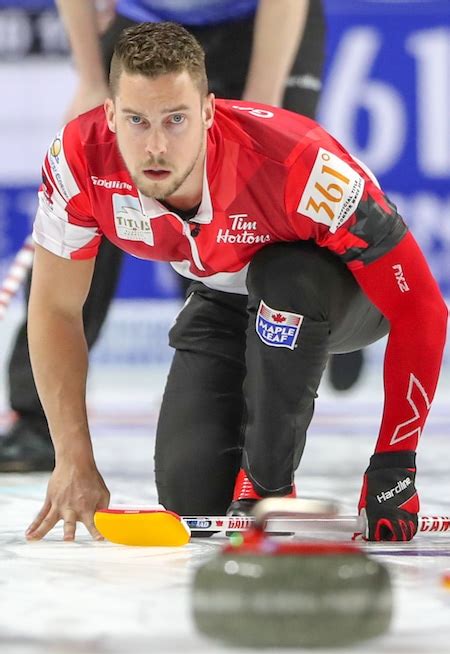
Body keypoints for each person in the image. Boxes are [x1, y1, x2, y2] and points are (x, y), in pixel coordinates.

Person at [24, 22, 447, 543]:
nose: (155, 146)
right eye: (136, 120)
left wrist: (394, 467)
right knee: (191, 496)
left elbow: (422, 308)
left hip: (337, 291)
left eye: (175, 120)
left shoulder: (298, 165)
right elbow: (55, 310)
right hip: (228, 292)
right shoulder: (78, 162)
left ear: (207, 112)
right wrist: (73, 462)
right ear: (109, 115)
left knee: (285, 278)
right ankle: (275, 374)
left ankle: (269, 484)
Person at [0, 0, 333, 473]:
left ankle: (322, 328)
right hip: (145, 23)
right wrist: (91, 78)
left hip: (257, 25)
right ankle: (37, 421)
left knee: (264, 210)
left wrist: (260, 101)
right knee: (99, 189)